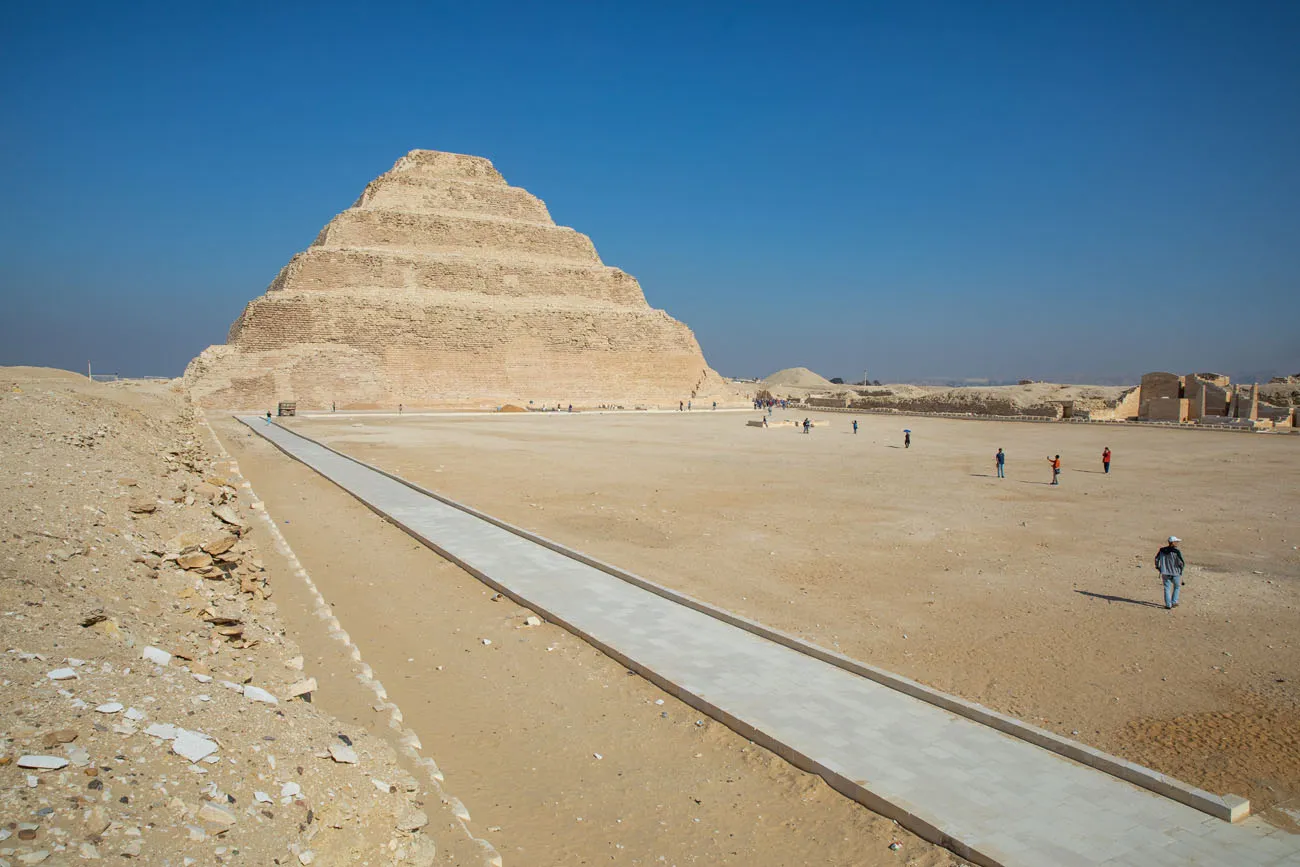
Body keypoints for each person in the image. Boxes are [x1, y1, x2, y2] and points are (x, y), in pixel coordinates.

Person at [1155, 536, 1185, 609]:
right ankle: (1174, 602)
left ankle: (1168, 604)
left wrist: (1158, 567)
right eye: (1176, 542)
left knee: (1167, 588)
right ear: (1173, 542)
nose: (1177, 543)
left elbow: (1156, 559)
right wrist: (1181, 569)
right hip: (1175, 573)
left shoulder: (1162, 550)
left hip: (1165, 572)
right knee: (1177, 587)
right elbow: (1181, 562)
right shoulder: (1176, 551)